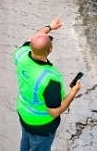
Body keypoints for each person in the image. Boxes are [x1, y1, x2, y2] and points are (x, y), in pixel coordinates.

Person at [13, 15, 82, 150]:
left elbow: (32, 39)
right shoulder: (49, 80)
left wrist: (49, 27)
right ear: (50, 50)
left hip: (23, 113)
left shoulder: (20, 54)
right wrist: (73, 92)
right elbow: (55, 112)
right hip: (41, 126)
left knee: (25, 142)